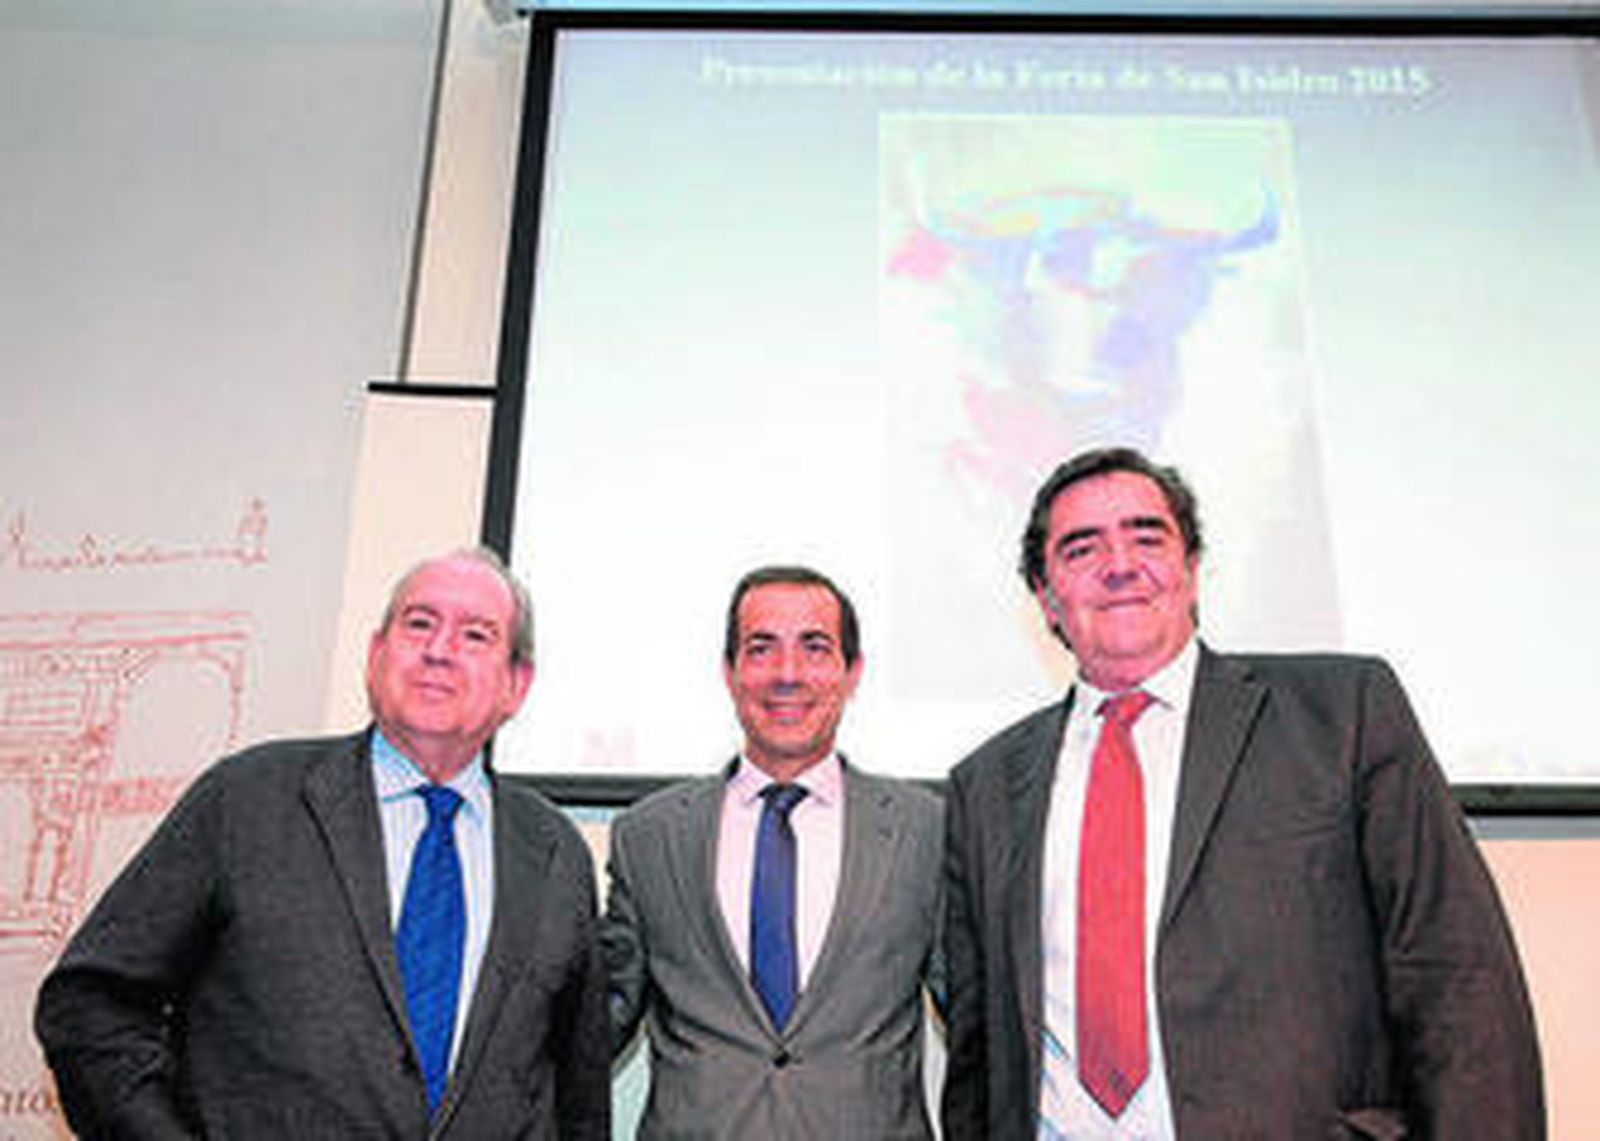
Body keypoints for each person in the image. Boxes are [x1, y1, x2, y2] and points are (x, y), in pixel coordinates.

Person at [941, 447, 1544, 1139]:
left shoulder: (1343, 714)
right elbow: (978, 1056)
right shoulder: (984, 785)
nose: (1119, 564)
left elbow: (1457, 979)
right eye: (1081, 548)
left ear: (1192, 569)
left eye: (1147, 536)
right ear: (1046, 595)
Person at [35, 547, 609, 1139]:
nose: (439, 650)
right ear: (375, 654)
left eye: (475, 635)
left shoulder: (555, 853)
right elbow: (90, 1006)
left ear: (516, 685)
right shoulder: (245, 800)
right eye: (419, 623)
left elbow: (578, 1095)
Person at [604, 565, 943, 1139]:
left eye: (814, 648)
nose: (787, 675)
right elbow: (594, 1025)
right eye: (761, 649)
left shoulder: (927, 829)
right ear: (730, 672)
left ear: (851, 672)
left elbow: (983, 1024)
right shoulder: (650, 835)